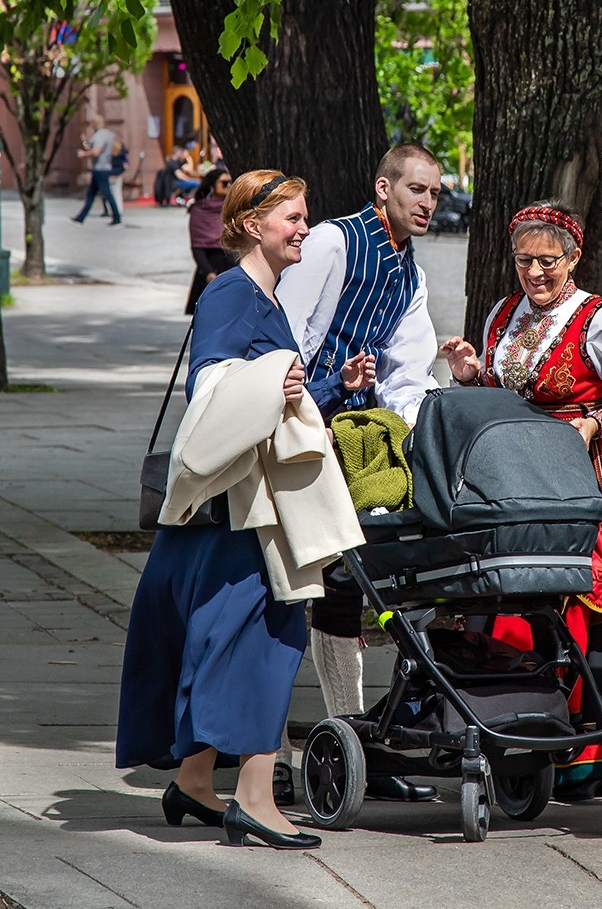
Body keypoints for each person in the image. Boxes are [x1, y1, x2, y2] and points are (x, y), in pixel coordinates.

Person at [116, 169, 375, 850]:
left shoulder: (262, 294)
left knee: (242, 643)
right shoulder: (233, 292)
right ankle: (255, 797)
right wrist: (276, 380)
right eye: (292, 216)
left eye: (306, 215)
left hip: (238, 514)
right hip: (237, 521)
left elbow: (265, 390)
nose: (304, 228)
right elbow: (214, 390)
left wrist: (325, 385)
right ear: (252, 223)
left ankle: (198, 781)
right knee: (269, 640)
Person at [441, 200, 602, 799]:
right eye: (524, 261)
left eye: (548, 261)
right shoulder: (502, 314)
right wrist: (471, 376)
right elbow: (498, 394)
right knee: (510, 591)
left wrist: (593, 425)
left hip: (579, 480)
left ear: (574, 258)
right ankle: (514, 731)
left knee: (576, 599)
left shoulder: (600, 321)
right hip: (514, 478)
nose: (536, 273)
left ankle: (586, 753)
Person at [276, 142, 443, 804]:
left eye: (434, 192)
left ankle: (353, 743)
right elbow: (284, 331)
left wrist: (415, 438)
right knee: (292, 586)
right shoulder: (332, 242)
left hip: (354, 442)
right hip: (294, 427)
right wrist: (310, 397)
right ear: (384, 187)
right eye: (417, 189)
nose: (428, 202)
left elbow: (407, 369)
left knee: (350, 583)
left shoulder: (410, 272)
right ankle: (272, 754)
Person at [185, 167, 235, 314]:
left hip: (235, 266)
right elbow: (197, 246)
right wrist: (208, 273)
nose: (229, 186)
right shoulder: (199, 209)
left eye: (231, 182)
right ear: (212, 185)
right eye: (224, 183)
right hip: (212, 267)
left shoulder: (235, 208)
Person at [71, 120, 122, 226]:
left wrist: (83, 154)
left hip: (100, 169)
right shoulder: (108, 134)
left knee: (107, 194)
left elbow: (95, 152)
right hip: (102, 168)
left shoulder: (99, 135)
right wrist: (84, 142)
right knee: (91, 195)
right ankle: (80, 218)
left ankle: (117, 217)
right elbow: (92, 148)